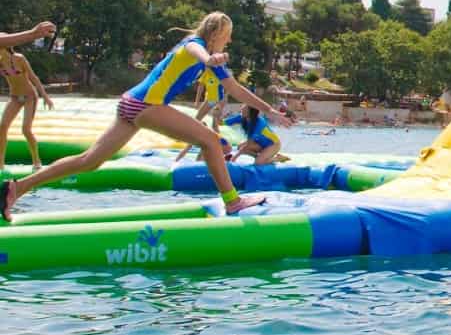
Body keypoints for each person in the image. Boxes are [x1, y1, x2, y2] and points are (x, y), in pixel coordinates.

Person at [2, 12, 292, 221]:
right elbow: (196, 51)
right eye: (227, 38)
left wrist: (268, 110)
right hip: (145, 106)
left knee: (88, 161)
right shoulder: (195, 45)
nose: (227, 44)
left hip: (130, 103)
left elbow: (235, 89)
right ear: (216, 34)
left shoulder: (211, 58)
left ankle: (16, 188)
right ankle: (233, 201)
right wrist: (209, 58)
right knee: (211, 141)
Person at [1, 46, 54, 170]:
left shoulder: (19, 58)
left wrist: (45, 96)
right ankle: (0, 164)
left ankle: (36, 160)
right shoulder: (0, 61)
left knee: (25, 129)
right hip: (14, 97)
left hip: (29, 96)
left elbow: (33, 77)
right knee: (2, 126)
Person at [173, 68, 228, 163]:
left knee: (214, 125)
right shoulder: (207, 72)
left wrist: (221, 104)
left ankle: (220, 146)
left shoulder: (220, 72)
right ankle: (185, 137)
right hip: (209, 99)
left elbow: (227, 88)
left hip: (218, 99)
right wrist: (197, 101)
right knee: (196, 120)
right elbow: (201, 87)